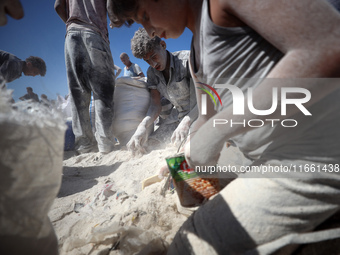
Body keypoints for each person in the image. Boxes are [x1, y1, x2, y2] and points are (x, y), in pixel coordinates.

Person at [108, 0, 340, 254]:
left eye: (145, 15)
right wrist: (189, 150)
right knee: (185, 181)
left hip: (311, 153)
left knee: (186, 247)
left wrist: (219, 130)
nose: (149, 30)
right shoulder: (196, 54)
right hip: (254, 153)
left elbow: (328, 45)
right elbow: (206, 116)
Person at [55, 0, 116, 154]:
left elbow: (58, 6)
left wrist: (73, 24)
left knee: (78, 95)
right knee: (102, 93)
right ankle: (105, 144)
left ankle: (85, 146)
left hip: (71, 36)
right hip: (94, 33)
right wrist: (114, 19)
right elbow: (111, 6)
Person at [127, 27, 197, 153]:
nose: (153, 64)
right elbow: (155, 105)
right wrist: (142, 126)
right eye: (147, 60)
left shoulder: (188, 61)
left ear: (163, 45)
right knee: (150, 144)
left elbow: (208, 100)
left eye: (154, 56)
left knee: (188, 149)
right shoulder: (152, 73)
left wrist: (187, 122)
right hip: (177, 117)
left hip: (199, 114)